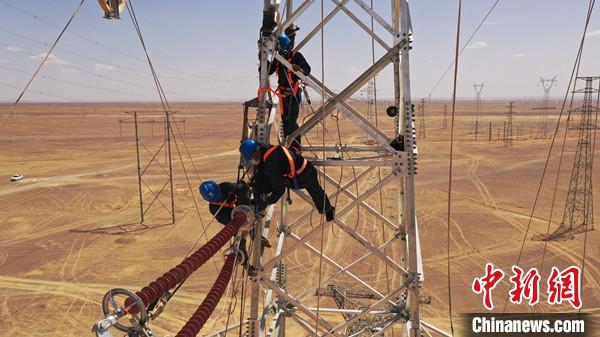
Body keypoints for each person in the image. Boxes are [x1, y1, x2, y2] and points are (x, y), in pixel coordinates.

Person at [239, 139, 335, 221]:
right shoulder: (268, 150)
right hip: (308, 168)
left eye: (252, 158)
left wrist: (265, 202)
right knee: (317, 192)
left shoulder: (270, 166)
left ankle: (327, 210)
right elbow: (260, 171)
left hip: (301, 178)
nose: (253, 160)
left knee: (267, 184)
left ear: (255, 153)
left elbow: (279, 189)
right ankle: (328, 210)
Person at [268, 27, 310, 152]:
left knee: (291, 121)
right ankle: (288, 146)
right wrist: (264, 60)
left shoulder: (296, 56)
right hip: (283, 94)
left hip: (294, 93)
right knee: (285, 121)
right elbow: (268, 71)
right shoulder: (278, 59)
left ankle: (295, 148)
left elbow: (307, 69)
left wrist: (300, 70)